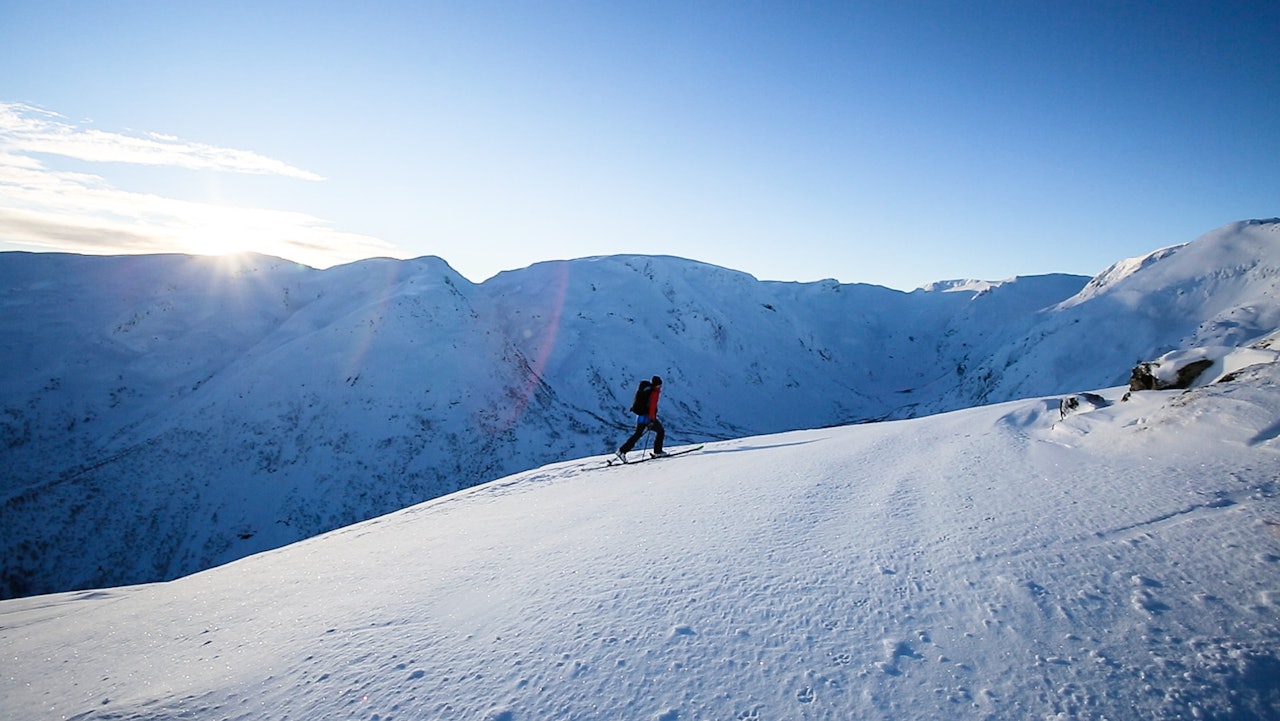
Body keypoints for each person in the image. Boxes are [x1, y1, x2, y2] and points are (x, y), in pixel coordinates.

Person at [616, 375, 665, 462]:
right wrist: (652, 420)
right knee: (660, 431)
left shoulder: (646, 390)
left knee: (637, 434)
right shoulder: (654, 392)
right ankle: (658, 451)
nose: (660, 387)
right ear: (657, 385)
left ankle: (622, 451)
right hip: (647, 417)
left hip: (640, 416)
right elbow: (652, 408)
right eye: (659, 385)